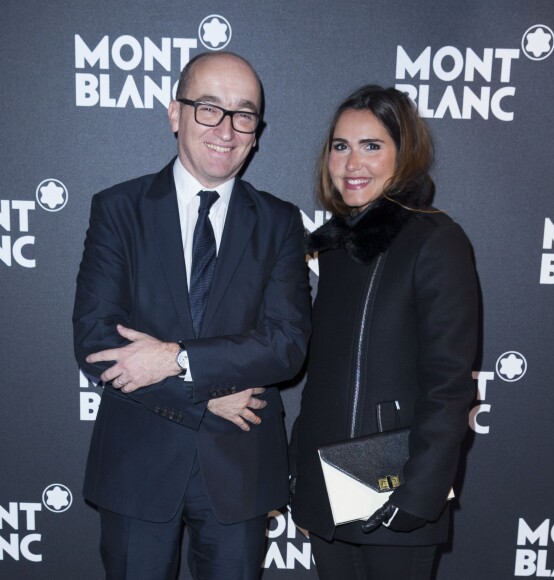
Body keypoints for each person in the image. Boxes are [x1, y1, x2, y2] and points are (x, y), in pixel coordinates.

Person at [72, 51, 311, 580]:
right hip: (137, 465)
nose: (226, 128)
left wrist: (178, 361)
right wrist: (205, 396)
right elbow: (96, 341)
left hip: (240, 469)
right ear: (174, 113)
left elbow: (286, 343)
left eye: (243, 114)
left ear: (256, 132)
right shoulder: (118, 210)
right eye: (208, 108)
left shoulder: (279, 222)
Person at [289, 85, 478, 580]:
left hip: (396, 489)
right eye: (341, 145)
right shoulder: (333, 249)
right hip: (331, 492)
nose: (353, 162)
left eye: (372, 146)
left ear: (404, 155)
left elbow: (449, 383)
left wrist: (420, 492)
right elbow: (325, 380)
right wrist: (307, 488)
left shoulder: (436, 241)